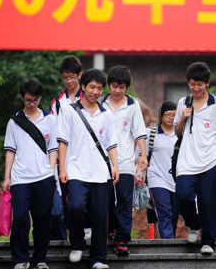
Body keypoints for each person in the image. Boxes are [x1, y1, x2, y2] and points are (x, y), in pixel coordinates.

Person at [58, 68, 119, 269]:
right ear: (83, 86)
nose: (95, 91)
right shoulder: (68, 111)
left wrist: (115, 166)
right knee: (75, 207)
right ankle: (77, 243)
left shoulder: (106, 114)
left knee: (101, 216)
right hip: (76, 170)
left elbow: (111, 144)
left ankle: (98, 258)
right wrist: (62, 168)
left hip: (101, 173)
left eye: (100, 88)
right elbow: (63, 141)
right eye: (92, 87)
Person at [173, 62, 216, 255]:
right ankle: (193, 224)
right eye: (192, 84)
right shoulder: (183, 102)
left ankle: (208, 242)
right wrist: (183, 118)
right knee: (183, 195)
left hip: (211, 162)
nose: (196, 88)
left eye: (200, 84)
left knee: (208, 203)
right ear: (188, 83)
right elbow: (177, 132)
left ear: (207, 83)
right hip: (186, 162)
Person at [2, 80, 57, 269]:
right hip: (20, 178)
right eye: (27, 100)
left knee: (42, 219)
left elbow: (53, 148)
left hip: (44, 177)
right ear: (22, 98)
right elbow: (10, 150)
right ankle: (20, 259)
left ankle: (40, 259)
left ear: (40, 98)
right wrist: (6, 177)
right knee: (20, 218)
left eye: (34, 100)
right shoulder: (14, 121)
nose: (31, 103)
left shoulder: (49, 119)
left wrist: (51, 170)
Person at [100, 65, 147, 255]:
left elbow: (139, 131)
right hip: (103, 163)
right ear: (108, 85)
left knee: (125, 202)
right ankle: (105, 233)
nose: (117, 91)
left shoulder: (133, 105)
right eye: (114, 86)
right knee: (105, 200)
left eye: (121, 87)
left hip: (126, 161)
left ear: (126, 87)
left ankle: (122, 239)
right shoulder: (100, 103)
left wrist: (143, 155)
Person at [49, 55, 85, 240]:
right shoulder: (58, 102)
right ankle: (67, 236)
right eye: (65, 78)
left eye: (72, 77)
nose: (69, 81)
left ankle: (83, 231)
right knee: (64, 201)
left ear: (79, 75)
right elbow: (54, 131)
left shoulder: (89, 98)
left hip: (85, 155)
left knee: (82, 199)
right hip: (63, 157)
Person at [137, 101, 180, 239]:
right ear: (161, 115)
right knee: (164, 211)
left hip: (177, 179)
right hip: (157, 178)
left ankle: (170, 241)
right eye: (168, 114)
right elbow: (140, 154)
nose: (171, 118)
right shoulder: (151, 133)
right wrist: (139, 173)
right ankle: (168, 241)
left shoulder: (181, 134)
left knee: (174, 213)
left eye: (174, 115)